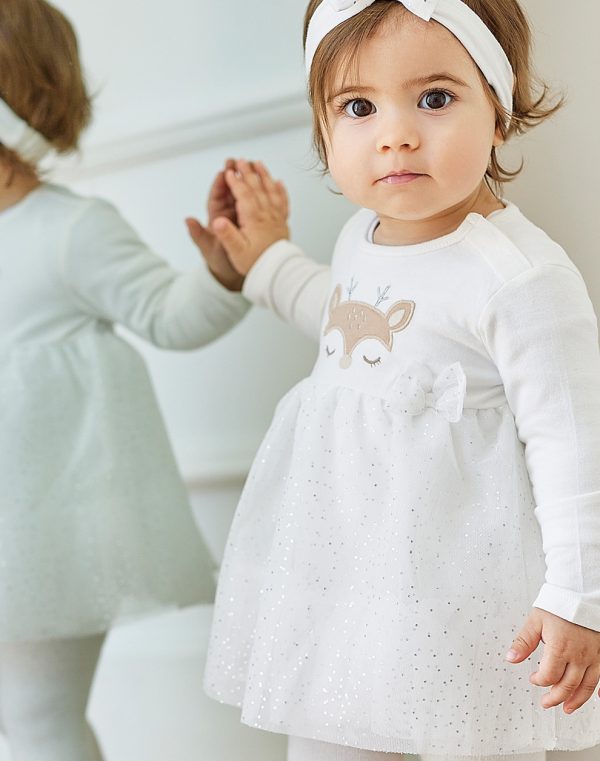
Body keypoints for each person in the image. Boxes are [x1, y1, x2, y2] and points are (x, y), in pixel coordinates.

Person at [198, 1, 600, 760]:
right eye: (358, 106)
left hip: (468, 588)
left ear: (500, 109)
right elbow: (358, 323)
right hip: (352, 563)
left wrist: (578, 596)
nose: (396, 134)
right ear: (324, 128)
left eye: (436, 99)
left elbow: (575, 444)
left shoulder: (518, 278)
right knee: (331, 724)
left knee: (475, 736)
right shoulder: (363, 233)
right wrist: (264, 263)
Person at [0, 1, 248, 759]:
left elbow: (172, 315)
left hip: (44, 536)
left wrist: (222, 271)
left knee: (40, 719)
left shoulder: (69, 230)